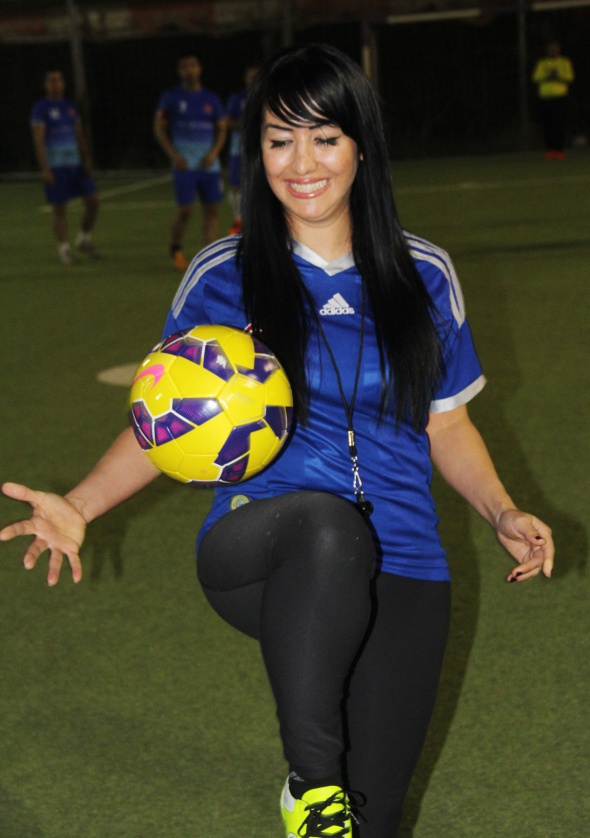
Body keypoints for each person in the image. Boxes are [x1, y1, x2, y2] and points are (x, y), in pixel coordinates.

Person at [1, 44, 554, 838]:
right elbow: (168, 421)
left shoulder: (424, 273)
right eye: (278, 139)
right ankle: (311, 780)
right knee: (328, 530)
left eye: (324, 138)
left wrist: (501, 511)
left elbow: (447, 422)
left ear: (361, 146)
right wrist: (81, 506)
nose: (301, 163)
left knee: (376, 820)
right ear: (256, 152)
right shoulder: (222, 274)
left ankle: (332, 800)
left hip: (406, 557)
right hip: (262, 547)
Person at [154, 55, 228, 271]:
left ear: (200, 69)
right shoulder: (171, 97)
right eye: (185, 67)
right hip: (184, 165)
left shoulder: (211, 98)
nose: (190, 70)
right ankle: (176, 249)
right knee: (185, 210)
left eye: (193, 66)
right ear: (179, 72)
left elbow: (222, 127)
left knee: (211, 210)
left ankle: (209, 257)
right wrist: (173, 155)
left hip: (208, 165)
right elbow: (159, 127)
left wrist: (214, 153)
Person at [30, 69, 102, 266]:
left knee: (94, 201)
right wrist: (44, 168)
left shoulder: (70, 107)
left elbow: (79, 134)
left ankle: (84, 239)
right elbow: (38, 139)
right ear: (46, 85)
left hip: (75, 164)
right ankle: (64, 249)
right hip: (56, 165)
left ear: (63, 83)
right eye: (51, 81)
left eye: (59, 80)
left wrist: (86, 160)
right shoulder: (41, 109)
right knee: (59, 209)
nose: (56, 84)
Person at [225, 64, 260, 235]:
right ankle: (239, 219)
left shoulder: (268, 97)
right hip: (239, 149)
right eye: (251, 77)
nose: (253, 80)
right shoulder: (237, 98)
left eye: (256, 77)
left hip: (262, 148)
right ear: (246, 79)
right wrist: (244, 125)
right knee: (236, 184)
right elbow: (227, 121)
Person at [532, 40, 575, 159]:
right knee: (547, 124)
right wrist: (548, 76)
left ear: (559, 49)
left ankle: (559, 150)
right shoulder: (543, 63)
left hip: (560, 97)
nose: (553, 50)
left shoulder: (564, 62)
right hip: (545, 98)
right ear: (547, 50)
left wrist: (558, 76)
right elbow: (536, 77)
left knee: (559, 124)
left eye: (555, 48)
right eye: (551, 48)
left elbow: (570, 77)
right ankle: (550, 150)